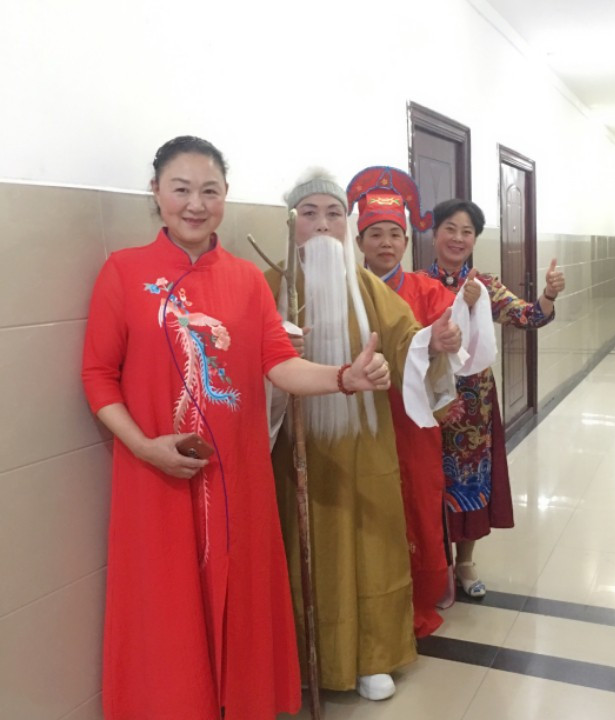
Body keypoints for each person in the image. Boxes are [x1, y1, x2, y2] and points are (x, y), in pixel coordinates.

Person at [81, 137, 392, 720]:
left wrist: (344, 377)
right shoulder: (123, 272)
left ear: (225, 195)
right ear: (156, 192)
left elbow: (279, 364)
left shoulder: (247, 281)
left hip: (236, 477)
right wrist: (143, 447)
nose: (195, 204)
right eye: (181, 189)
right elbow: (98, 376)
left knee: (240, 595)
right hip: (156, 476)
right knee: (167, 606)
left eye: (210, 191)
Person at [266, 169, 464, 701]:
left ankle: (373, 655)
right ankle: (304, 656)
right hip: (293, 454)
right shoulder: (270, 286)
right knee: (304, 549)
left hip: (366, 446)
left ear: (345, 225)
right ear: (291, 223)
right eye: (310, 214)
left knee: (373, 546)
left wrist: (434, 343)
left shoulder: (368, 287)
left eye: (333, 214)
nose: (322, 225)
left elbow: (407, 342)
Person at [347, 166, 496, 636]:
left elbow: (453, 347)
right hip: (357, 417)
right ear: (359, 240)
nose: (386, 243)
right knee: (366, 507)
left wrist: (446, 340)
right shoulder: (345, 290)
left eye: (395, 234)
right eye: (375, 234)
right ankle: (366, 599)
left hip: (411, 420)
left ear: (407, 241)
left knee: (417, 501)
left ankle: (418, 594)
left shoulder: (427, 290)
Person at [420, 198, 565, 598]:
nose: (458, 238)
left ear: (475, 239)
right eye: (450, 229)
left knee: (469, 481)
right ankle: (435, 565)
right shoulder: (416, 284)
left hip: (473, 406)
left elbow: (530, 316)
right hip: (427, 402)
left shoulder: (485, 286)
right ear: (434, 234)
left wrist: (548, 295)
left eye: (467, 232)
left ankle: (465, 562)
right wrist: (457, 306)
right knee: (427, 483)